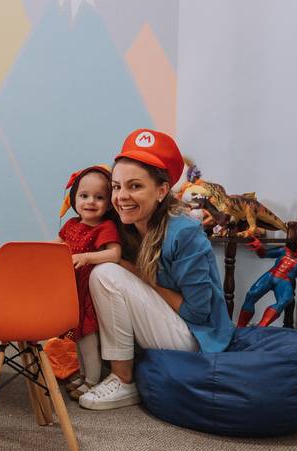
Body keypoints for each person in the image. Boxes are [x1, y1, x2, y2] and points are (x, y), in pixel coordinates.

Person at [78, 128, 235, 411]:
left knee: (106, 274)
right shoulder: (125, 227)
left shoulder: (184, 233)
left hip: (195, 337)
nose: (121, 196)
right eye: (117, 187)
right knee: (103, 268)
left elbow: (197, 313)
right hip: (165, 325)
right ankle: (108, 368)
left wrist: (138, 274)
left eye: (135, 186)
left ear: (162, 190)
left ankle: (123, 379)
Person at [55, 165, 122, 399]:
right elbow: (56, 247)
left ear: (109, 203)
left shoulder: (105, 227)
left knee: (88, 339)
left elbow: (114, 254)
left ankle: (93, 380)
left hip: (89, 292)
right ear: (74, 198)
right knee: (78, 337)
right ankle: (84, 374)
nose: (91, 202)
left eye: (99, 197)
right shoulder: (71, 225)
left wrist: (87, 257)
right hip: (72, 290)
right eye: (84, 195)